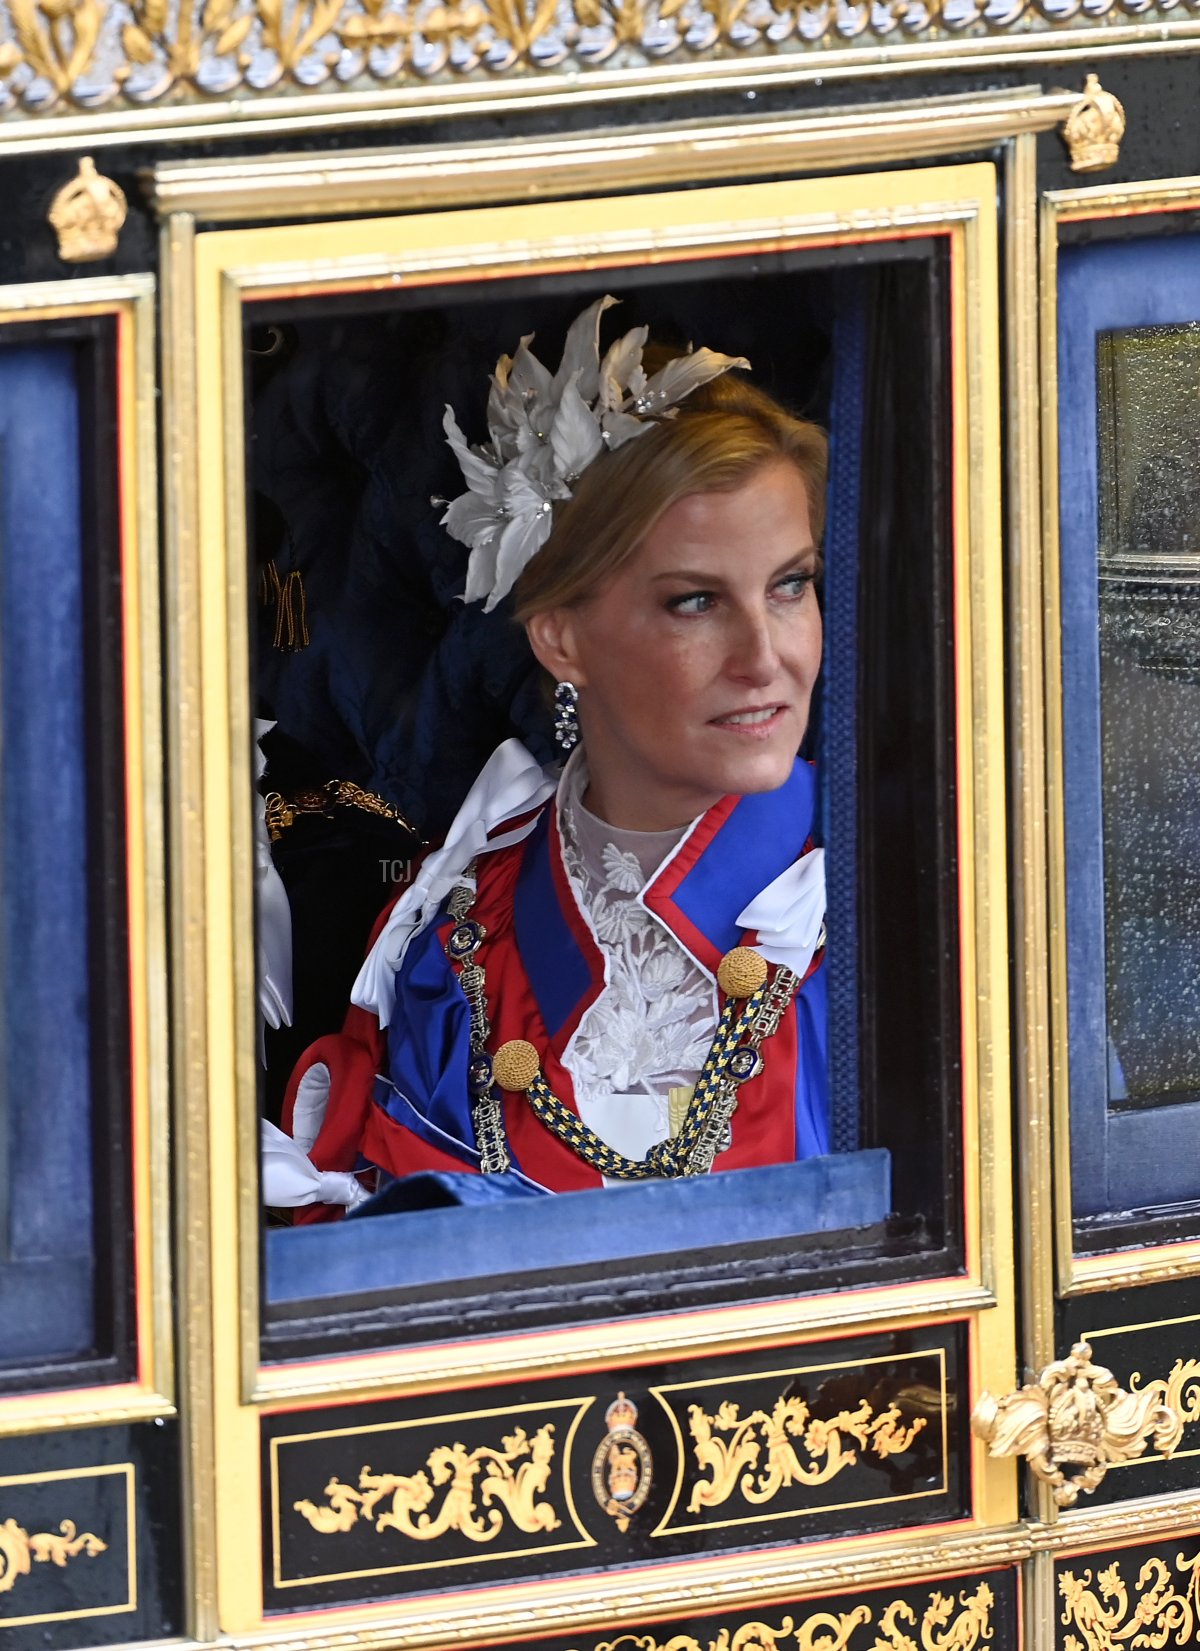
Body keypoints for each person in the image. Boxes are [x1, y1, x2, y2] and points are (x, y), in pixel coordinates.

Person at [272, 295, 830, 1214]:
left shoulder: (900, 917)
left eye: (790, 586)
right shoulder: (452, 944)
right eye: (695, 601)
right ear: (561, 637)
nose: (766, 658)